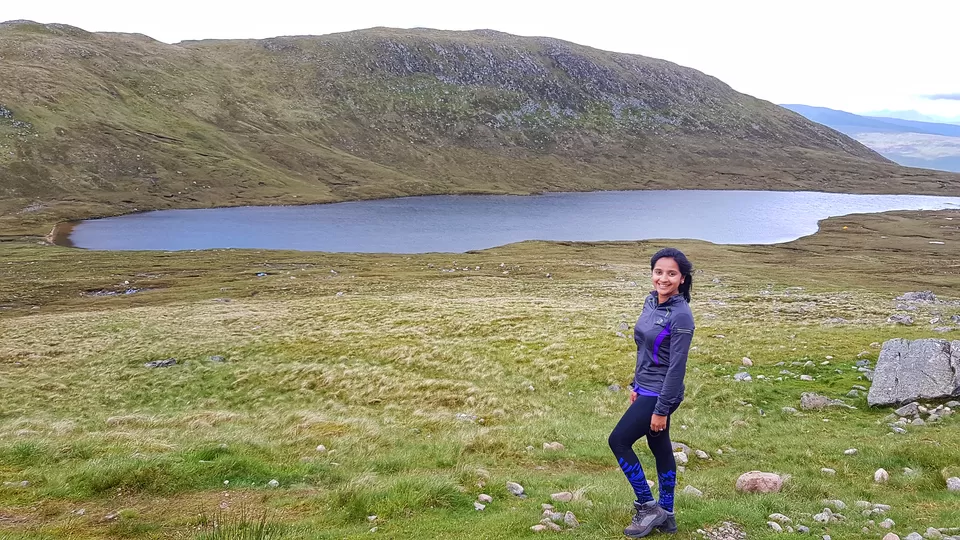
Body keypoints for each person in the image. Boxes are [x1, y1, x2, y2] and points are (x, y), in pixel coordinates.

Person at [608, 247, 695, 538]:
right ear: (652, 273)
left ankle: (648, 507)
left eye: (671, 273)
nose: (664, 278)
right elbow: (644, 350)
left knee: (618, 440)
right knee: (659, 447)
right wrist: (635, 384)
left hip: (662, 392)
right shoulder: (650, 303)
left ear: (682, 278)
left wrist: (661, 409)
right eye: (659, 272)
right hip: (645, 388)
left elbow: (676, 367)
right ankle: (667, 516)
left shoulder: (681, 316)